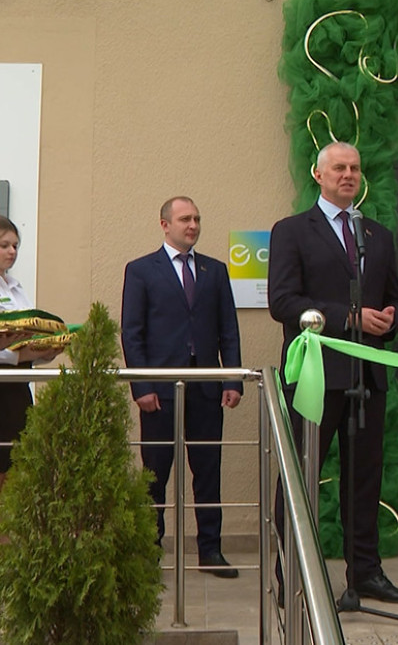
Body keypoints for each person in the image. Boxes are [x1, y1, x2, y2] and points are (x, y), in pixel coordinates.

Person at [268, 141, 398, 603]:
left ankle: (365, 572)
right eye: (339, 168)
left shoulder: (377, 235)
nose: (348, 174)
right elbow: (283, 302)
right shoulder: (293, 231)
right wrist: (349, 317)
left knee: (365, 480)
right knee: (301, 476)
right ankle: (291, 573)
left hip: (366, 376)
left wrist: (392, 317)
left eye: (354, 168)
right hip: (315, 376)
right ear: (319, 175)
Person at [121, 197, 243, 579]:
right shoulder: (141, 270)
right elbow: (132, 333)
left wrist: (232, 379)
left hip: (205, 388)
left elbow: (228, 330)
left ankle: (210, 550)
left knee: (208, 471)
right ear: (165, 224)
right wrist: (141, 385)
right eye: (185, 219)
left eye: (197, 219)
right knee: (155, 473)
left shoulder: (214, 270)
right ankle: (149, 549)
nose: (192, 225)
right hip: (159, 392)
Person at [0, 215, 59, 568]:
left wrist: (46, 349)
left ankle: (8, 547)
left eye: (15, 246)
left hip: (17, 384)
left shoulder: (15, 286)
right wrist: (20, 353)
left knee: (14, 470)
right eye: (4, 245)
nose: (11, 252)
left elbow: (26, 335)